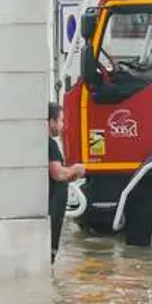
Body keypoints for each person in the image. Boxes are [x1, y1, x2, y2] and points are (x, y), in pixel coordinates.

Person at [48, 102, 84, 264]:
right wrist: (75, 169)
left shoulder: (41, 144)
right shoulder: (50, 144)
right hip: (52, 208)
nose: (63, 125)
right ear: (51, 122)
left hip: (50, 206)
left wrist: (68, 175)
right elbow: (56, 173)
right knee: (49, 252)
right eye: (61, 120)